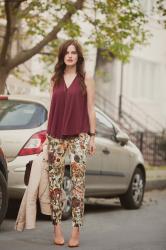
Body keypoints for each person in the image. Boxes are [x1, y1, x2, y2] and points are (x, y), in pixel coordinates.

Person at [46, 39, 96, 247]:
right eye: (66, 52)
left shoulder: (86, 78)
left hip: (79, 136)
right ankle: (56, 228)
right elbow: (51, 108)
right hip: (55, 136)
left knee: (78, 184)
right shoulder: (54, 79)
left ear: (78, 56)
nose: (70, 55)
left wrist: (92, 136)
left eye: (74, 52)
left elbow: (90, 108)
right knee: (54, 184)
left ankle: (75, 231)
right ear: (62, 56)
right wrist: (45, 136)